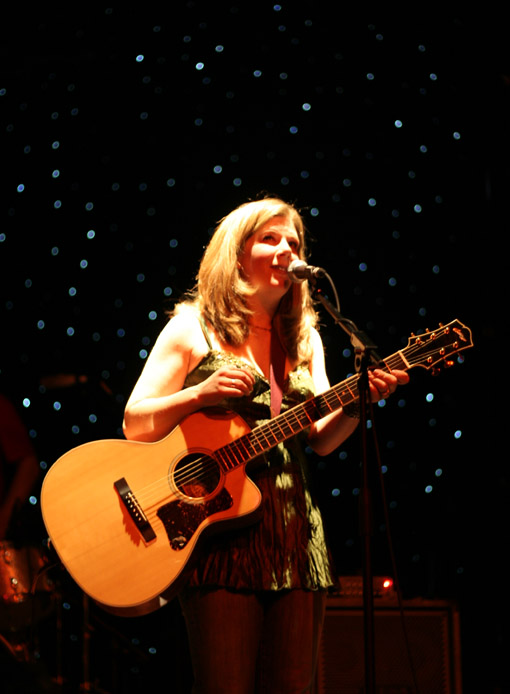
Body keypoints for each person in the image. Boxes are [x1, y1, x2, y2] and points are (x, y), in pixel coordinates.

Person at [122, 197, 409, 693]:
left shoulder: (306, 340)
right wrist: (199, 393)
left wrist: (360, 404)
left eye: (293, 242)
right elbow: (135, 423)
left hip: (295, 534)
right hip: (219, 532)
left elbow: (319, 440)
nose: (286, 250)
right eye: (270, 238)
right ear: (237, 254)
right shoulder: (194, 326)